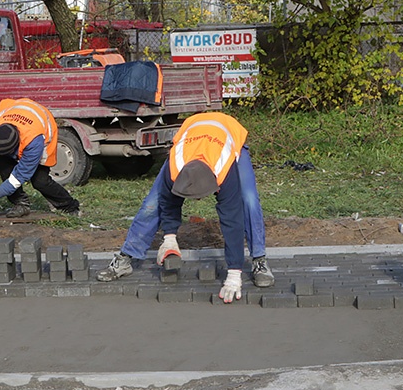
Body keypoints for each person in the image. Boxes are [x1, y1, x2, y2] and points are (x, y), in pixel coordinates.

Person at [96, 112, 274, 301]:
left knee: (249, 200)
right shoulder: (174, 167)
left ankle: (259, 260)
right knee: (152, 202)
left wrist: (234, 273)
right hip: (191, 136)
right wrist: (169, 237)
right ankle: (126, 258)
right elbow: (167, 201)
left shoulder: (224, 170)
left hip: (227, 133)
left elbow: (232, 219)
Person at [0, 98, 80, 218]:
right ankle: (21, 204)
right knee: (6, 170)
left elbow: (19, 176)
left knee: (40, 181)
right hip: (18, 116)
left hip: (42, 131)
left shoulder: (34, 141)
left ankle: (70, 206)